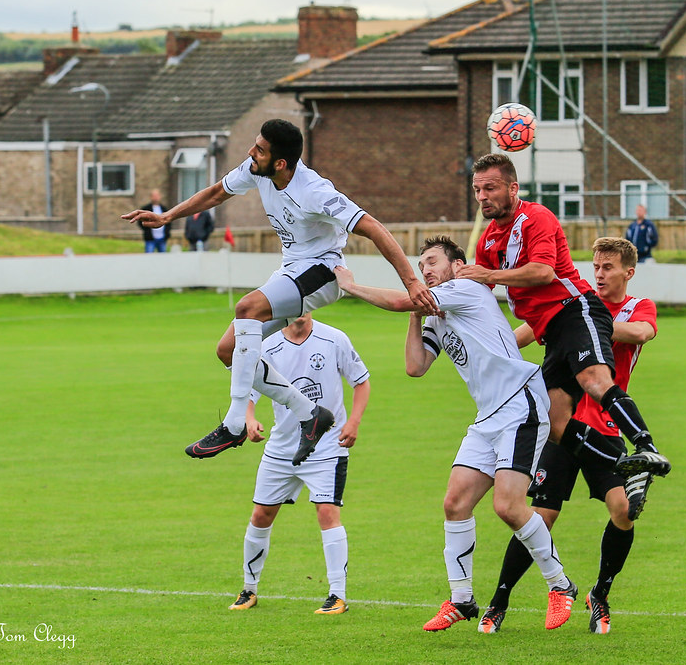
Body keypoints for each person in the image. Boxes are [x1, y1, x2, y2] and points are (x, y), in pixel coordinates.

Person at [121, 119, 436, 464]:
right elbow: (216, 193)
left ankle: (234, 423)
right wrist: (168, 217)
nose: (250, 153)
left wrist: (412, 281)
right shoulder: (258, 171)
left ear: (281, 163)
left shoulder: (315, 191)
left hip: (323, 272)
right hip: (291, 271)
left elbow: (374, 227)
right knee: (228, 350)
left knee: (246, 308)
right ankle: (309, 413)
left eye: (259, 150)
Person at [334, 236, 578, 632]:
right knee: (455, 503)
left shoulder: (465, 288)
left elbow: (399, 300)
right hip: (488, 417)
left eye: (432, 261)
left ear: (458, 265)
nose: (425, 269)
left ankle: (560, 585)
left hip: (520, 405)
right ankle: (462, 599)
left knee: (508, 507)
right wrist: (417, 313)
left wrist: (350, 284)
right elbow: (416, 367)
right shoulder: (434, 311)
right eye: (421, 263)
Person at [481, 237, 657, 635]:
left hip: (606, 429)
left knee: (625, 512)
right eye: (595, 266)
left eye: (608, 267)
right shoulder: (570, 306)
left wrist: (584, 322)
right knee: (540, 517)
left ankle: (601, 594)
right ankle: (499, 601)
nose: (599, 273)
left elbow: (642, 333)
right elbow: (521, 334)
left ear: (628, 272)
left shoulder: (633, 307)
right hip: (561, 428)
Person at [456, 154, 670, 481]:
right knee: (555, 424)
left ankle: (646, 446)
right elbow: (483, 297)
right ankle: (624, 470)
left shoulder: (536, 217)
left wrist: (486, 275)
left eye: (490, 188)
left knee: (593, 380)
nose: (482, 196)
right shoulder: (487, 242)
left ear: (513, 188)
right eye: (477, 189)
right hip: (551, 332)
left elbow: (542, 272)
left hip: (576, 310)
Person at [228, 313, 370, 615]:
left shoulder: (334, 338)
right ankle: (248, 590)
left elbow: (362, 382)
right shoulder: (267, 345)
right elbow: (249, 390)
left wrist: (354, 422)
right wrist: (250, 419)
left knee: (327, 513)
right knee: (261, 515)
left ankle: (337, 595)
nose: (300, 310)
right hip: (282, 447)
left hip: (327, 446)